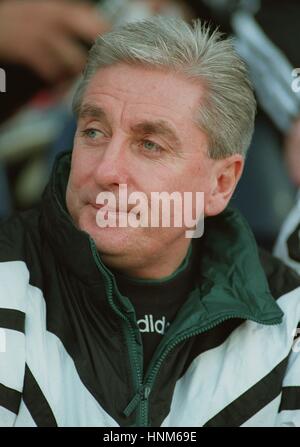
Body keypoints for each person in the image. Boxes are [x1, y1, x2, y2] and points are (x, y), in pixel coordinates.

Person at [0, 16, 300, 428]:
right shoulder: (7, 281)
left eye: (149, 144)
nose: (106, 170)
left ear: (221, 183)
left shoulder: (290, 321)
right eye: (93, 132)